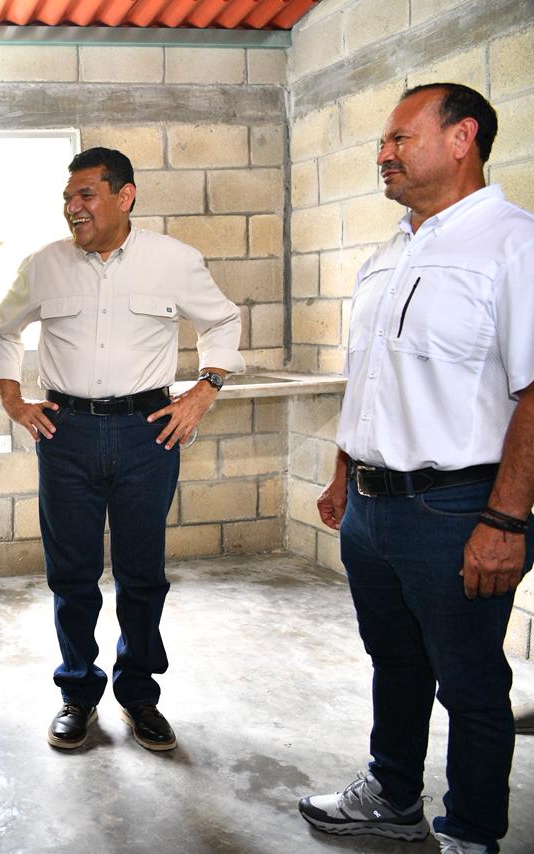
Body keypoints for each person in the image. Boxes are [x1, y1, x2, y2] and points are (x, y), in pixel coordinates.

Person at [298, 83, 534, 854]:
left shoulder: (513, 245)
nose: (383, 154)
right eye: (382, 142)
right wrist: (343, 473)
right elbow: (369, 378)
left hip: (458, 508)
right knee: (394, 660)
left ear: (462, 138)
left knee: (469, 681)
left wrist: (505, 521)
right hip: (371, 506)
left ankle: (470, 832)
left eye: (400, 138)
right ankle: (394, 794)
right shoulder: (389, 254)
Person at [0, 147, 244, 752]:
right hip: (66, 433)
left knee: (142, 575)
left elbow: (222, 322)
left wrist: (204, 391)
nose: (73, 208)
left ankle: (139, 694)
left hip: (146, 433)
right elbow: (2, 327)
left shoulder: (173, 260)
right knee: (72, 575)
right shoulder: (44, 265)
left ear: (125, 197)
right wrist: (13, 400)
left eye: (86, 195)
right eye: (67, 198)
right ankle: (78, 692)